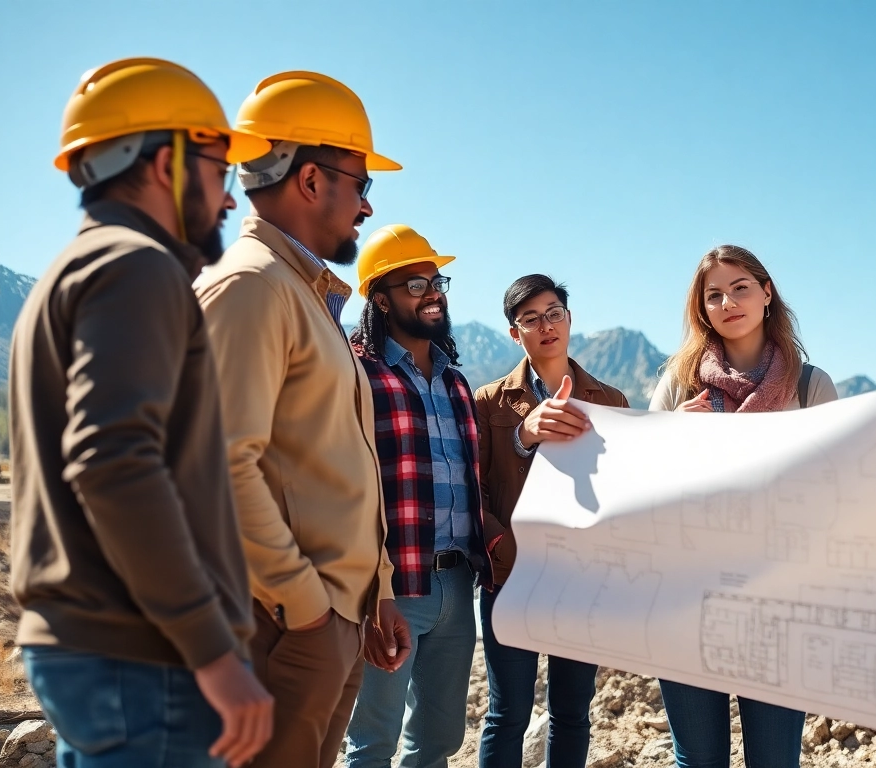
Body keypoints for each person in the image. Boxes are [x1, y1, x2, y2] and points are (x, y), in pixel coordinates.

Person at [10, 58, 273, 767]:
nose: (227, 199)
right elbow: (114, 461)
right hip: (146, 660)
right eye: (219, 169)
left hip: (102, 652)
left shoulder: (73, 271)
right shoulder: (138, 267)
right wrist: (213, 651)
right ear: (166, 162)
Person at [194, 71, 407, 768]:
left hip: (328, 620)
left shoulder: (301, 293)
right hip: (287, 629)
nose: (368, 208)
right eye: (362, 183)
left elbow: (328, 462)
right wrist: (306, 607)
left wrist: (372, 592)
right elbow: (220, 466)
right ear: (312, 181)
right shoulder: (252, 289)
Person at [649, 244, 837, 768]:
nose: (728, 302)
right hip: (688, 598)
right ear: (702, 309)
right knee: (699, 760)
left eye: (740, 288)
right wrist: (670, 439)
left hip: (780, 601)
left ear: (767, 293)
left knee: (775, 760)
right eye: (714, 295)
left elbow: (835, 495)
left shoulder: (810, 385)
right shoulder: (678, 385)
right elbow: (642, 492)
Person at [342, 224, 491, 767]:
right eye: (415, 285)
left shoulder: (454, 380)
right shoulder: (357, 371)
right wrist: (371, 589)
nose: (433, 293)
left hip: (458, 583)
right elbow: (343, 482)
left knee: (437, 743)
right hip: (390, 585)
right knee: (372, 744)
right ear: (379, 300)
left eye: (437, 281)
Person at [474, 274, 630, 767]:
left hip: (580, 582)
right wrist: (523, 435)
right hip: (510, 577)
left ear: (569, 319)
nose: (545, 326)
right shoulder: (488, 403)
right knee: (508, 713)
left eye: (553, 313)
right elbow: (469, 491)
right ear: (513, 333)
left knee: (571, 711)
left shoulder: (610, 402)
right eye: (530, 319)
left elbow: (625, 489)